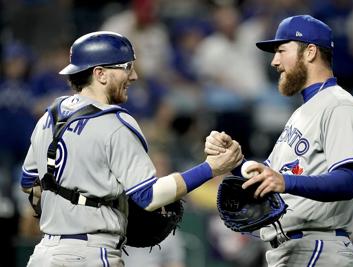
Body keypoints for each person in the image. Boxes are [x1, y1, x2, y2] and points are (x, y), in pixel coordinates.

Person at [20, 31, 243, 267]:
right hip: (90, 255)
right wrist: (211, 168)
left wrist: (68, 208)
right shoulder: (114, 124)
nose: (134, 76)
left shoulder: (49, 117)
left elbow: (29, 184)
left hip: (44, 254)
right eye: (126, 67)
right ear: (100, 73)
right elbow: (150, 196)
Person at [205, 15, 353, 267]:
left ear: (310, 52)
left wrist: (285, 181)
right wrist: (234, 161)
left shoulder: (340, 106)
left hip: (316, 246)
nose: (275, 61)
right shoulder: (302, 112)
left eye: (282, 50)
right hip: (291, 248)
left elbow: (348, 181)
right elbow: (268, 178)